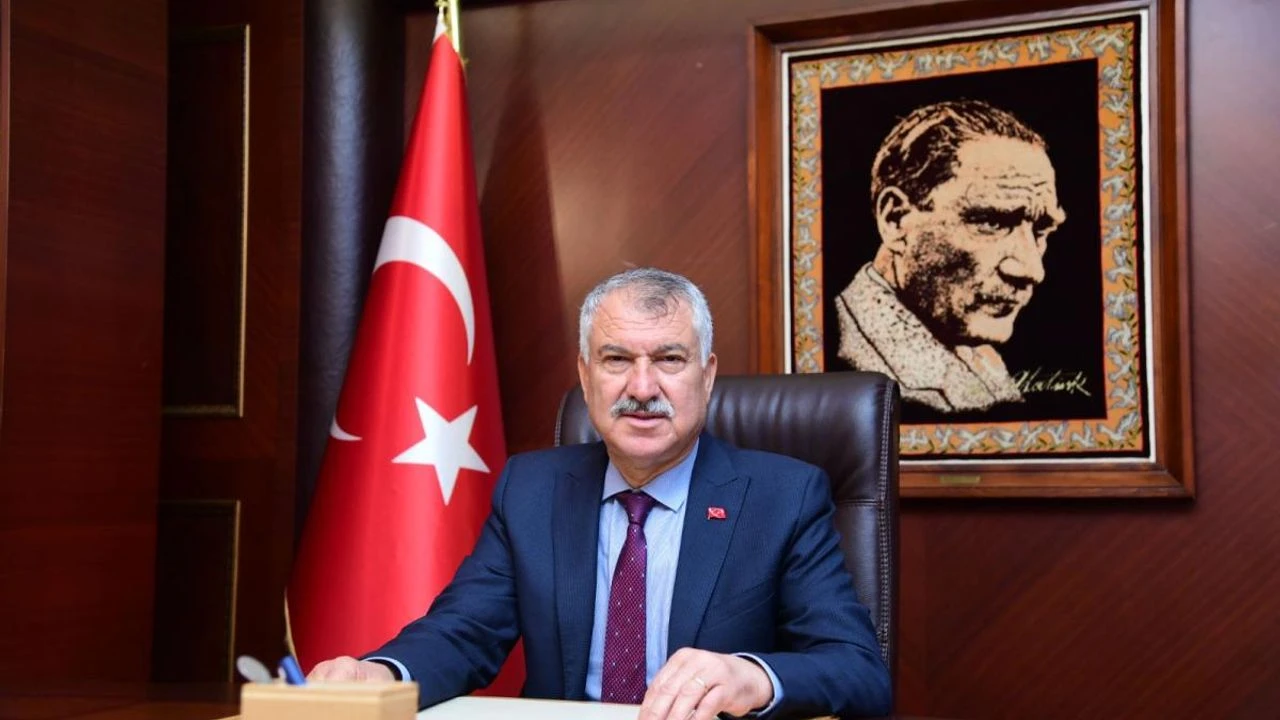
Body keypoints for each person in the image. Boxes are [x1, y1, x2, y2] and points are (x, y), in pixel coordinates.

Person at [309, 268, 892, 719]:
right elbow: (463, 633)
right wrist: (381, 674)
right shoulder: (531, 490)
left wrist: (752, 676)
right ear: (586, 377)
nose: (642, 386)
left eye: (669, 359)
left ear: (707, 375)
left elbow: (859, 671)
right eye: (617, 360)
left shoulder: (783, 497)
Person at [834, 99, 1067, 412]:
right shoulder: (857, 366)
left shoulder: (973, 350)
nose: (1032, 270)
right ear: (896, 220)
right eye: (991, 222)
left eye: (1040, 231)